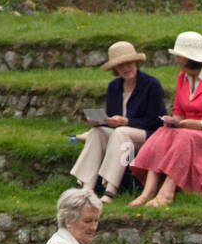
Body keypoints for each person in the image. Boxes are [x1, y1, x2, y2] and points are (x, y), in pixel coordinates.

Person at [128, 32, 202, 206]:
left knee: (185, 137)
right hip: (190, 129)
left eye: (178, 56)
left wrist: (197, 124)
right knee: (162, 133)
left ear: (189, 57)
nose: (176, 60)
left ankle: (167, 192)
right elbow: (179, 111)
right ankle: (148, 192)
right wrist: (174, 121)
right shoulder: (183, 77)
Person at [69, 41, 166, 203]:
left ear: (135, 62)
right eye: (121, 65)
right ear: (115, 69)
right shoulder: (114, 87)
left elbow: (156, 122)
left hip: (148, 136)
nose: (126, 68)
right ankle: (86, 188)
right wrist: (100, 122)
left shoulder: (151, 85)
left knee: (121, 132)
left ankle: (110, 190)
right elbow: (113, 120)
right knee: (97, 132)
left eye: (128, 63)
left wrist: (127, 121)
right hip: (121, 136)